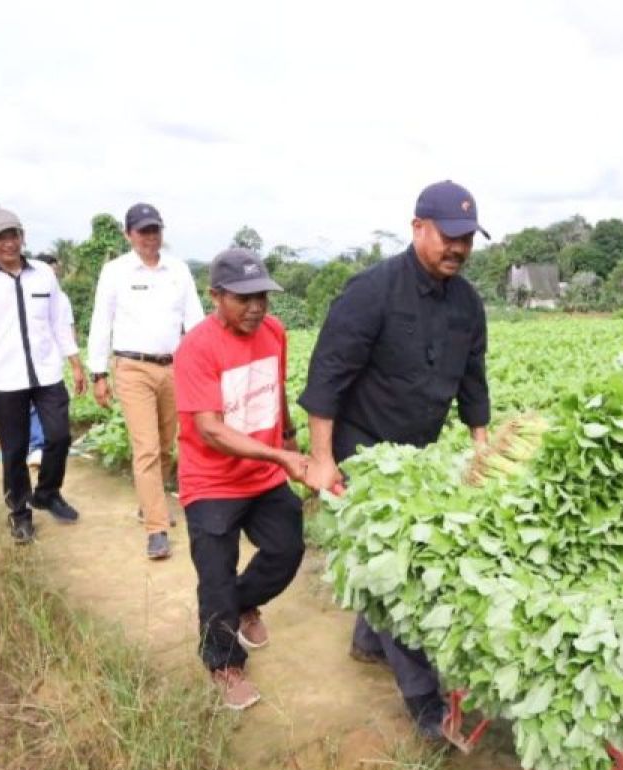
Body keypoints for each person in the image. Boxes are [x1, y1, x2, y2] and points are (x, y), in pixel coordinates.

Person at [299, 180, 491, 738]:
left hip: (419, 454)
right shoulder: (372, 291)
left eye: (467, 240)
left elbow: (473, 381)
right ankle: (425, 704)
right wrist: (321, 459)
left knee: (386, 561)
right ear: (418, 229)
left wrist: (483, 448)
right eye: (449, 237)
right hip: (362, 447)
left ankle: (366, 641)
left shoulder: (469, 304)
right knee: (399, 568)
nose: (458, 248)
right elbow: (326, 378)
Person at [173, 248, 310, 710]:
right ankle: (225, 665)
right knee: (215, 576)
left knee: (287, 548)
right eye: (243, 298)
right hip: (211, 482)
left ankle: (243, 605)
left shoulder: (274, 332)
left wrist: (288, 436)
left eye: (263, 297)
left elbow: (277, 388)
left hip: (265, 473)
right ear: (216, 296)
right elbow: (210, 429)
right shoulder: (196, 348)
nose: (256, 308)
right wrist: (279, 454)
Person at [0, 208, 86, 544]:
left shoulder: (43, 274)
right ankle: (20, 513)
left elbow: (58, 321)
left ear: (22, 235)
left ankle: (48, 493)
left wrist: (75, 361)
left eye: (14, 235)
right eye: (0, 237)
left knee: (58, 437)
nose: (9, 243)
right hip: (5, 378)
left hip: (46, 374)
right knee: (13, 450)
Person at [87, 203, 204, 559]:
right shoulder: (115, 271)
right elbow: (100, 321)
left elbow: (195, 321)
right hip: (132, 367)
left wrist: (205, 367)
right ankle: (156, 527)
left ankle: (147, 501)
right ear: (129, 235)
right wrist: (98, 372)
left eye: (155, 230)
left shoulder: (178, 270)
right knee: (147, 447)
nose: (150, 237)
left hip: (173, 368)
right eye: (142, 231)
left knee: (168, 444)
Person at [26, 256, 76, 469]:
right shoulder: (24, 292)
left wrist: (73, 356)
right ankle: (36, 445)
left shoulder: (62, 297)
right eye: (49, 270)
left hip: (53, 360)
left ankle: (43, 446)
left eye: (55, 271)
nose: (52, 275)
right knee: (32, 405)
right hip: (29, 359)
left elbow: (67, 326)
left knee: (53, 405)